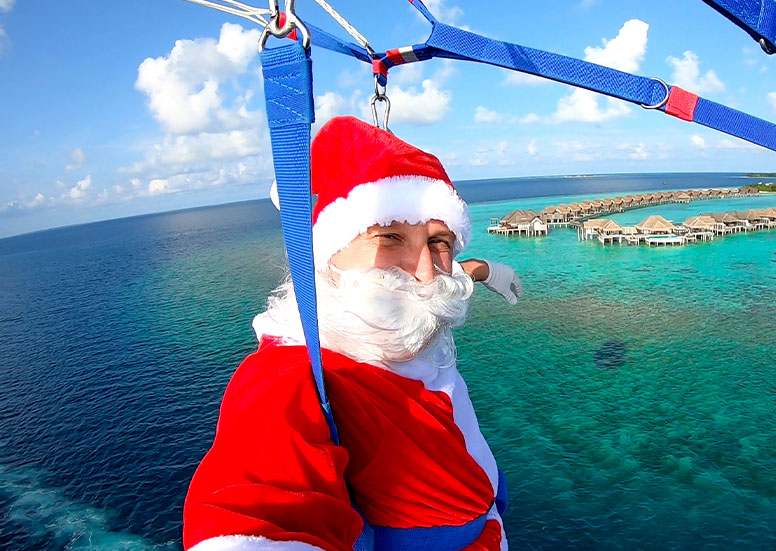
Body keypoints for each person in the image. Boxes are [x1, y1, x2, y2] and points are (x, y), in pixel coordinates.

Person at [183, 116, 523, 551]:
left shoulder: (402, 303)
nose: (424, 273)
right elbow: (255, 513)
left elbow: (440, 277)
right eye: (390, 237)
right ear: (327, 255)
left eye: (439, 240)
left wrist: (484, 270)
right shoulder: (292, 374)